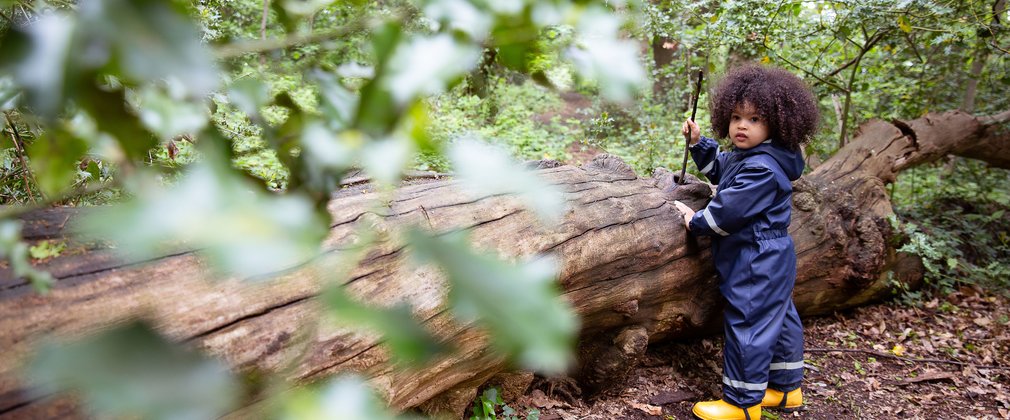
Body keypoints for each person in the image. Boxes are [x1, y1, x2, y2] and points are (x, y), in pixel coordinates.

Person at [672, 64, 819, 420]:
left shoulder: (762, 169)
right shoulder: (759, 156)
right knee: (779, 316)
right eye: (736, 117)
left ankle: (742, 403)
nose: (741, 125)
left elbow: (729, 211)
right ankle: (786, 391)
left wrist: (697, 221)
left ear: (777, 123)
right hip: (771, 255)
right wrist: (698, 144)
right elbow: (724, 169)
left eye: (754, 119)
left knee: (749, 322)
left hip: (755, 256)